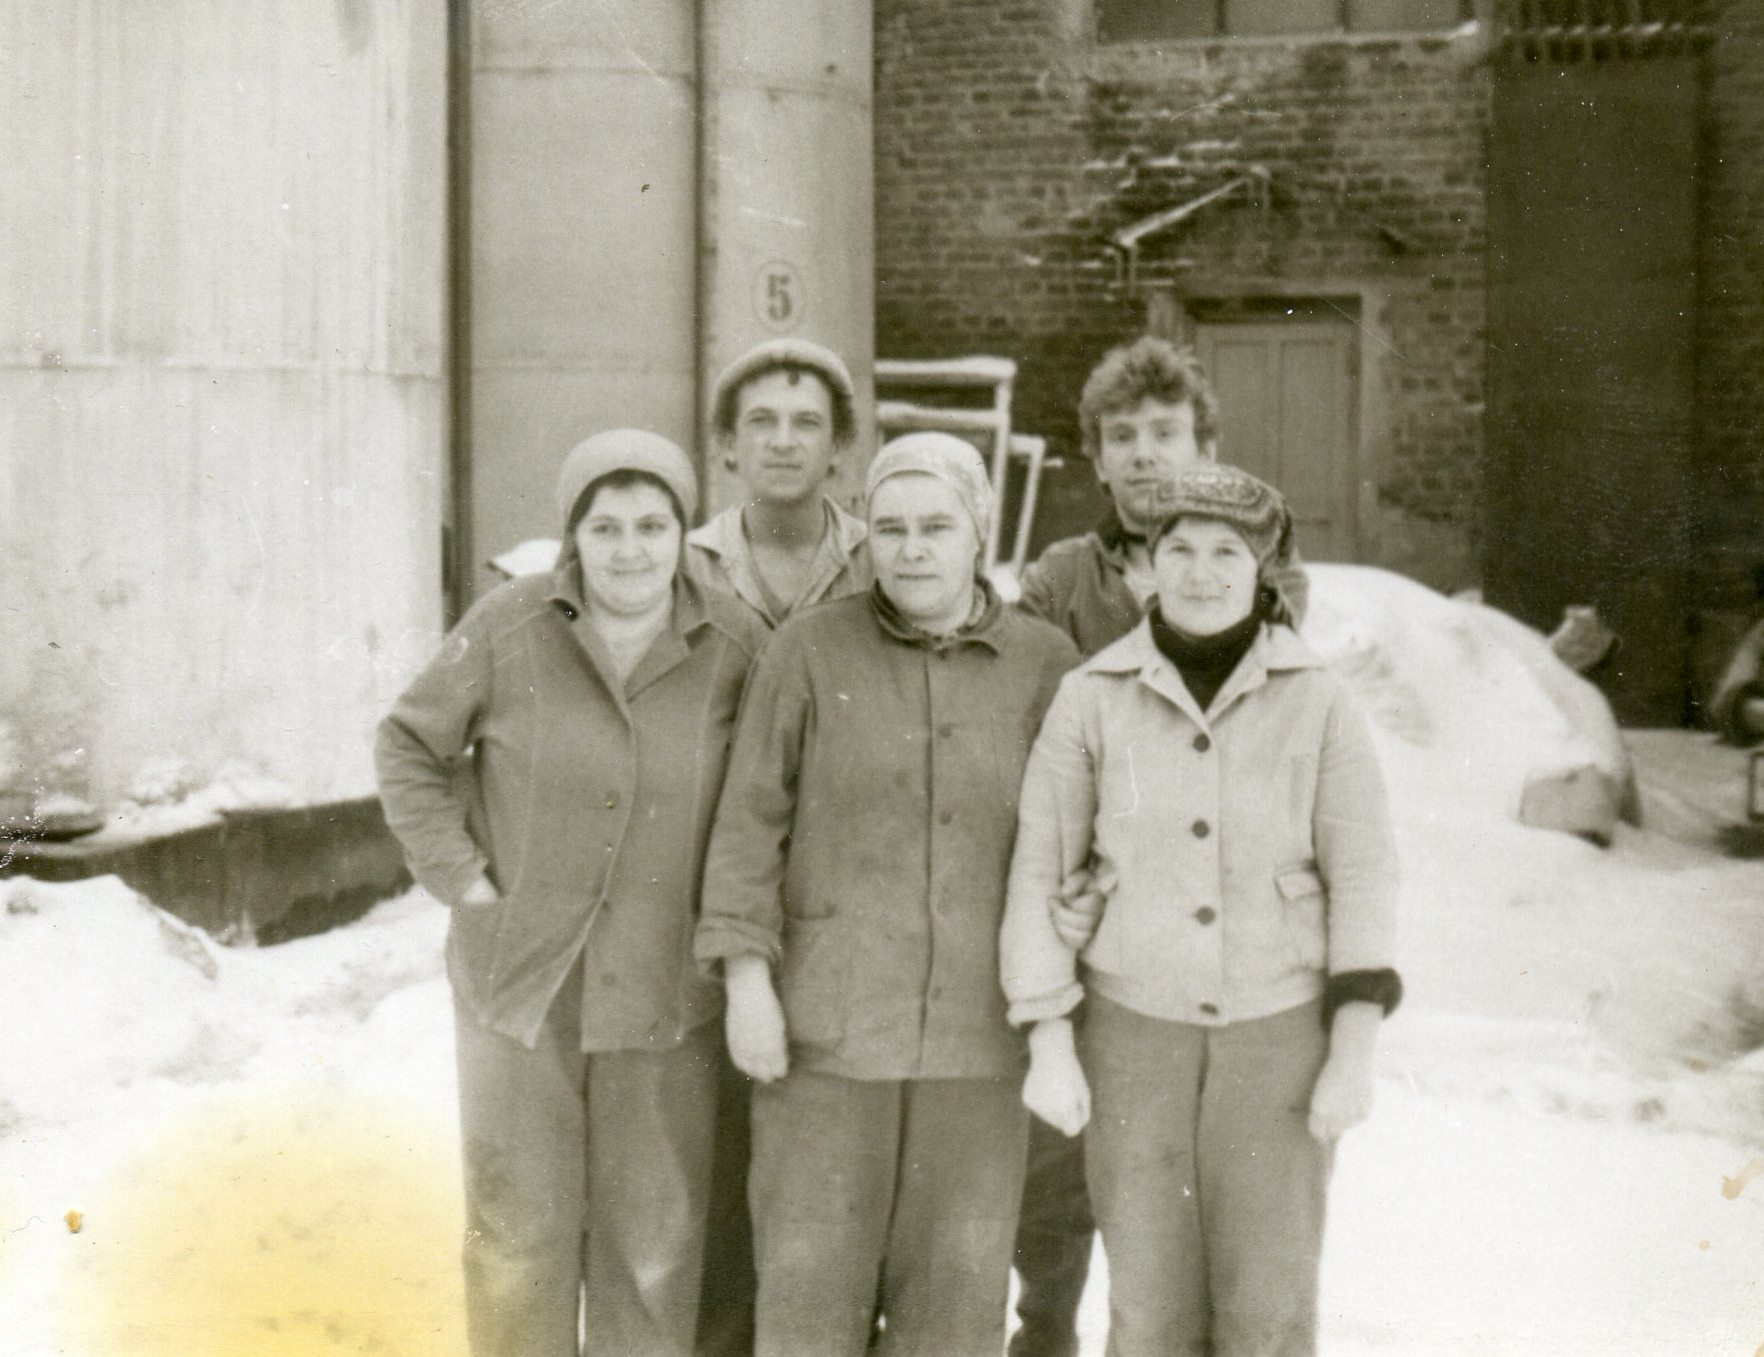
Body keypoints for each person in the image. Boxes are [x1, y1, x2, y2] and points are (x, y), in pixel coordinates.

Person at [375, 430, 768, 1357]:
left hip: (666, 992)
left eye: (652, 525)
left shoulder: (736, 641)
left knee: (654, 1249)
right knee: (518, 1238)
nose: (629, 549)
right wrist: (464, 880)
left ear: (684, 530)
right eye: (605, 527)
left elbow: (772, 793)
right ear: (572, 536)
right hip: (521, 987)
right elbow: (407, 743)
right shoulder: (510, 624)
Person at [1001, 463, 1402, 1357]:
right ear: (1148, 563)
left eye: (1227, 552)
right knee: (1149, 1310)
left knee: (1268, 1308)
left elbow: (1366, 873)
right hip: (1132, 1041)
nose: (1201, 571)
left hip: (1278, 1041)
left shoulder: (1320, 700)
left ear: (1262, 569)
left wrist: (1353, 1048)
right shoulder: (1092, 695)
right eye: (1178, 549)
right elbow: (1040, 867)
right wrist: (1049, 1037)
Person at [695, 433, 1079, 1357]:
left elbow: (1080, 835)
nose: (911, 550)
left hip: (978, 1045)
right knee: (809, 1298)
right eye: (892, 527)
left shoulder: (1044, 663)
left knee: (953, 1305)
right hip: (827, 1038)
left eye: (936, 527)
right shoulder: (808, 650)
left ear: (980, 529)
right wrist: (746, 982)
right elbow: (749, 823)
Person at [1008, 334, 1305, 1357]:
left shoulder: (1258, 575)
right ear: (1094, 457)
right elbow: (1033, 727)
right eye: (1122, 435)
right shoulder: (1060, 577)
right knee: (1057, 1164)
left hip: (1202, 915)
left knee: (1185, 1180)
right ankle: (1044, 1331)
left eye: (1166, 432)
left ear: (1206, 446)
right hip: (1082, 906)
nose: (1143, 453)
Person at [689, 337, 871, 626]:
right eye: (762, 420)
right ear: (729, 443)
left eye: (806, 422)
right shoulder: (690, 564)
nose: (783, 442)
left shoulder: (874, 559)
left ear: (836, 446)